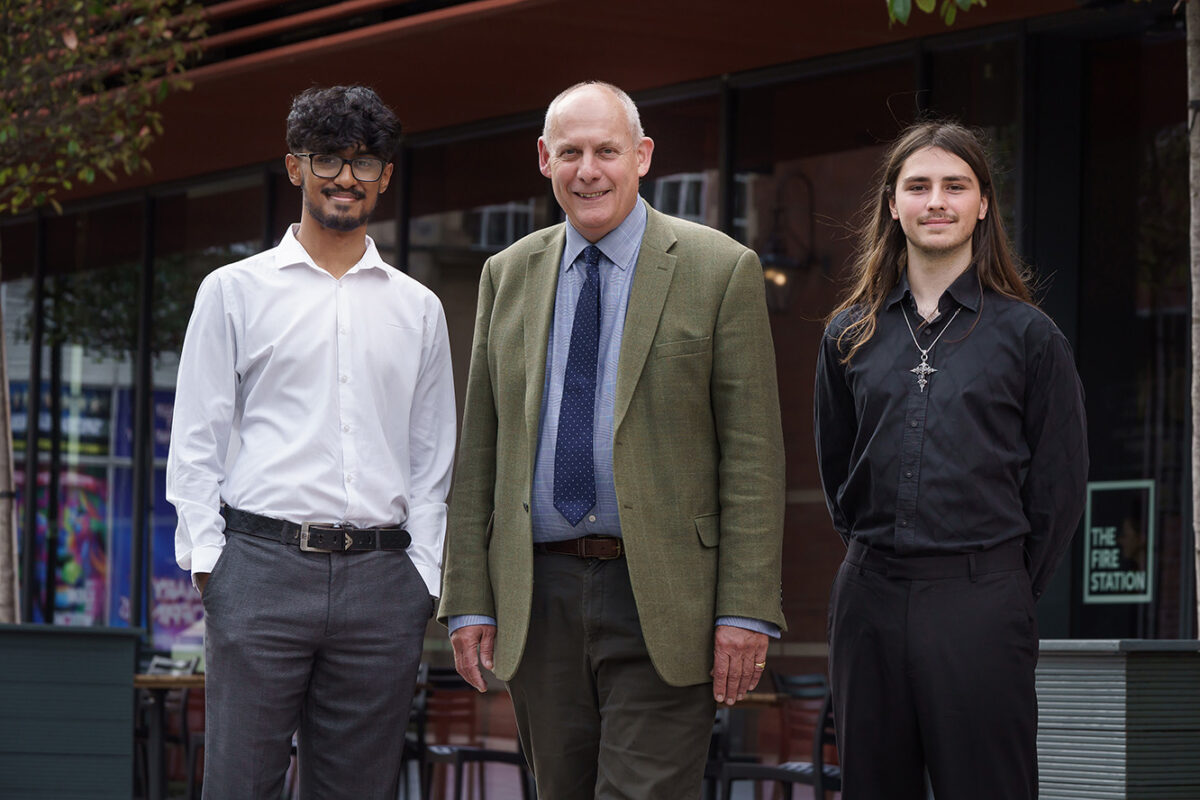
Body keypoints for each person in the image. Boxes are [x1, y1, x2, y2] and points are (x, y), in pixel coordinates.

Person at [438, 80, 786, 799]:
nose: (588, 170)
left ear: (643, 156)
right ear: (544, 159)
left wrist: (746, 609)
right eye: (570, 152)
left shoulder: (719, 269)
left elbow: (753, 457)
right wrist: (468, 598)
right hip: (540, 595)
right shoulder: (506, 276)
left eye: (606, 151)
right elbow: (480, 452)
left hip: (665, 597)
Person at [166, 85, 456, 799]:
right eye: (327, 158)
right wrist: (211, 564)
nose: (345, 177)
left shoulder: (418, 309)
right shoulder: (232, 291)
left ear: (386, 175)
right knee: (240, 784)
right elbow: (196, 438)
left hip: (384, 584)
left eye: (364, 162)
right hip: (260, 571)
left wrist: (423, 573)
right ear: (295, 167)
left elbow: (433, 456)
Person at [814, 120, 1089, 800]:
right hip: (869, 599)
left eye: (955, 186)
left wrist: (999, 587)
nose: (936, 201)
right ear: (892, 203)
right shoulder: (850, 332)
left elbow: (1056, 491)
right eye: (918, 186)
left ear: (983, 204)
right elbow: (837, 471)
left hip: (982, 598)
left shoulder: (1029, 336)